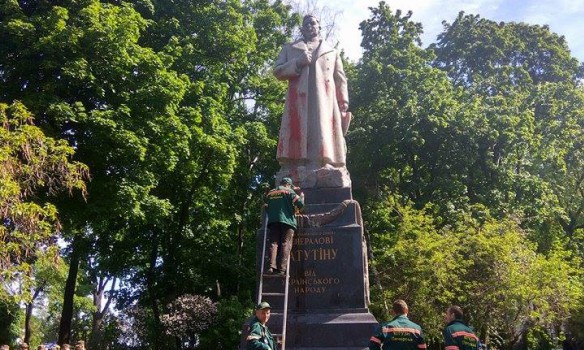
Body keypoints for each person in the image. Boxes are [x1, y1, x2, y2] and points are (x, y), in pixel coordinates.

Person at [273, 14, 350, 172]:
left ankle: (326, 162)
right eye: (306, 24)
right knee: (298, 128)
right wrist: (297, 63)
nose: (310, 26)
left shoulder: (332, 51)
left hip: (325, 99)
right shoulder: (290, 48)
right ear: (302, 29)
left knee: (325, 128)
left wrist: (343, 102)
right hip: (299, 98)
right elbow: (277, 71)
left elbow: (340, 78)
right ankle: (296, 164)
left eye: (313, 23)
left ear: (319, 26)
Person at [264, 177, 304, 275]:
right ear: (288, 184)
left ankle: (271, 266)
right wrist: (302, 197)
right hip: (287, 222)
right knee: (285, 243)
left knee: (273, 243)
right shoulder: (289, 192)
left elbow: (266, 206)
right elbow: (300, 204)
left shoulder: (270, 193)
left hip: (273, 221)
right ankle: (282, 269)